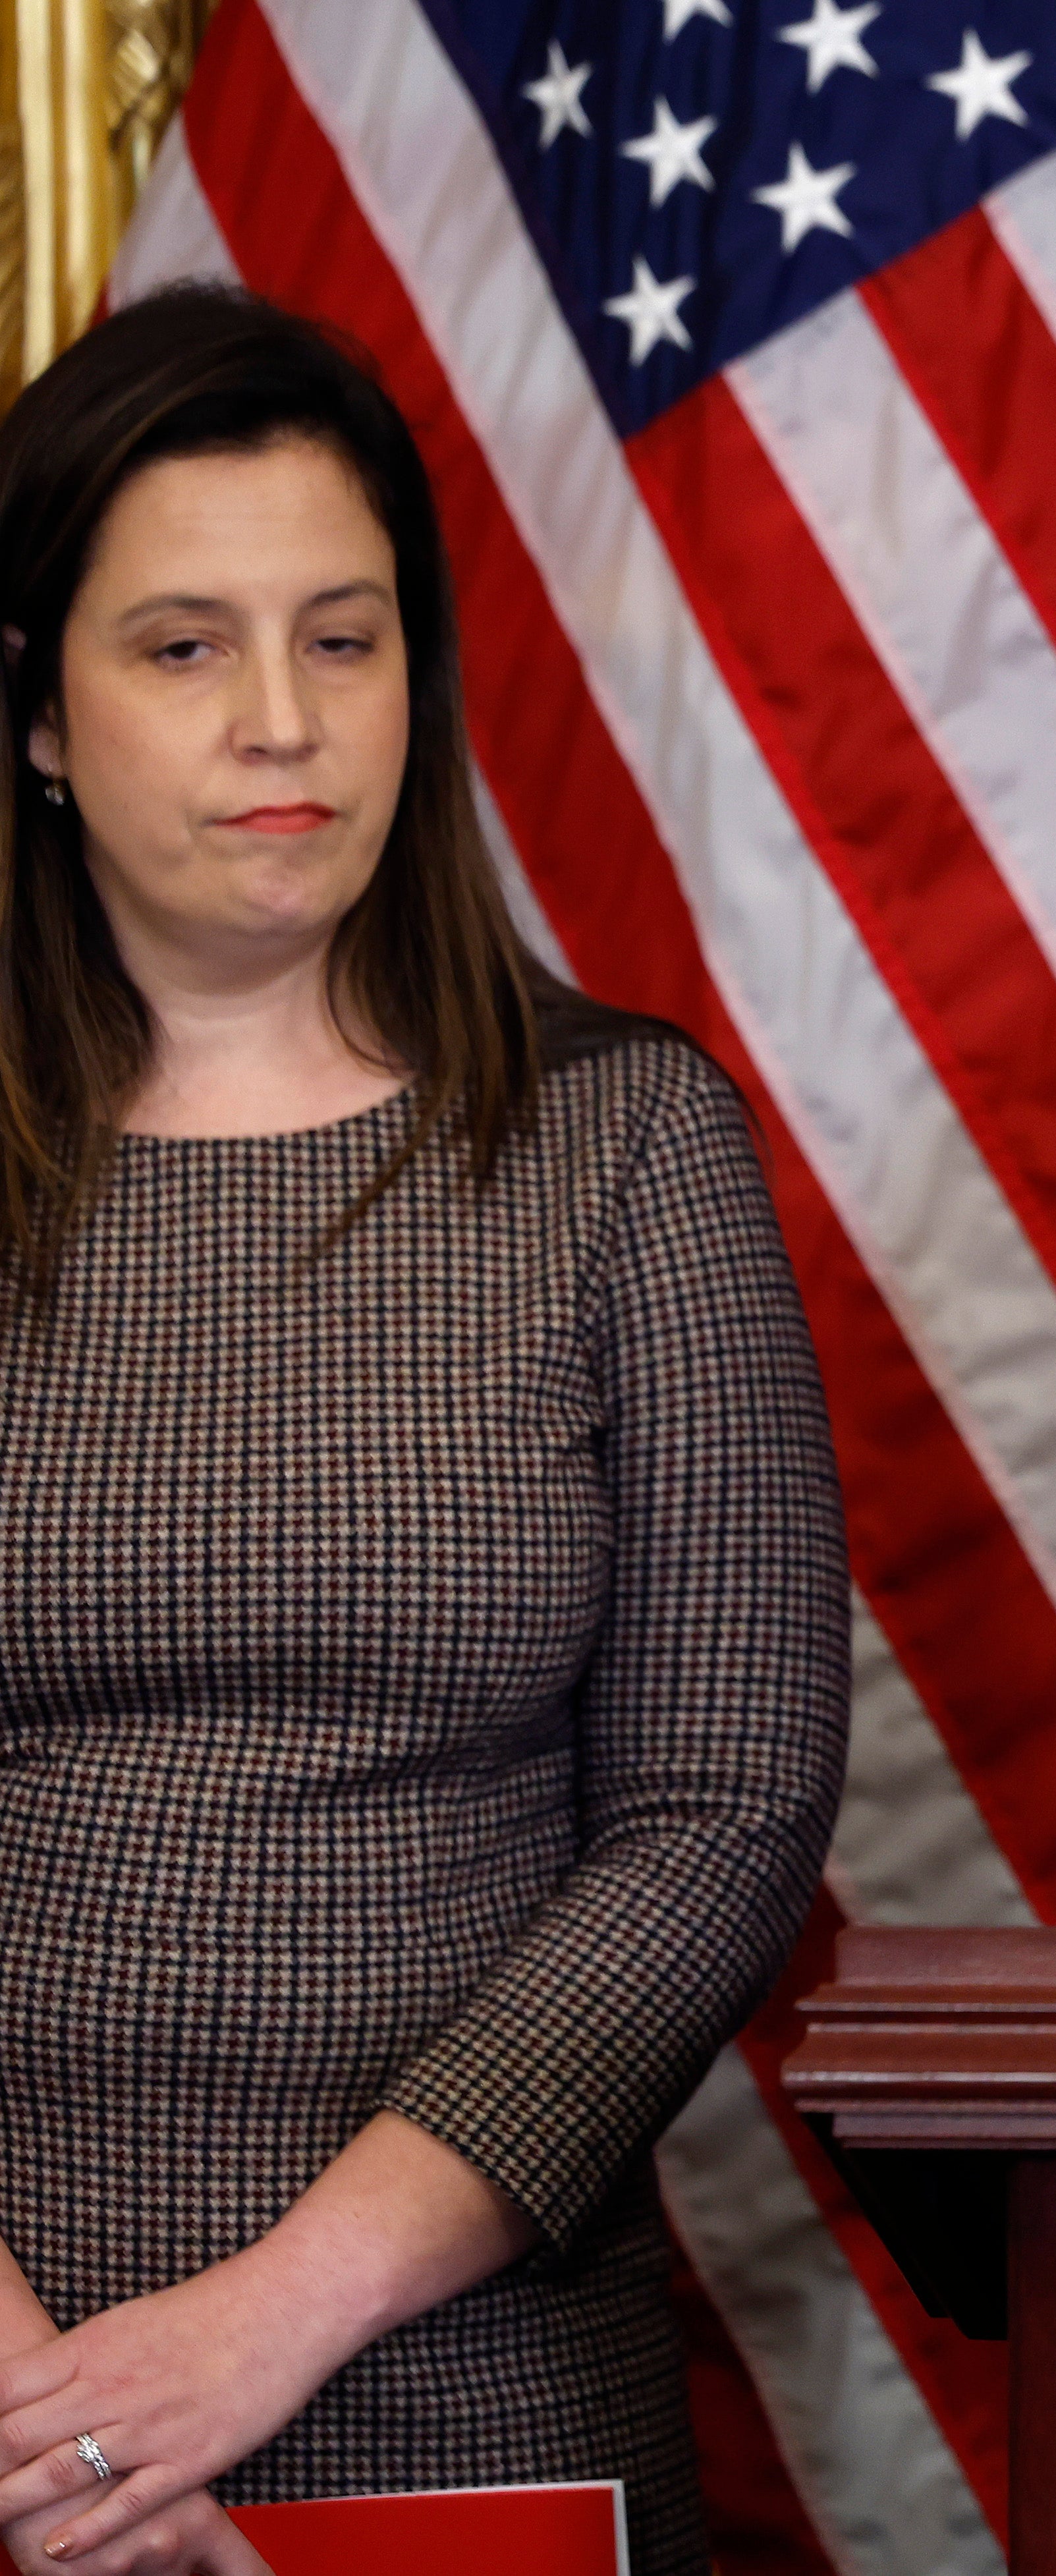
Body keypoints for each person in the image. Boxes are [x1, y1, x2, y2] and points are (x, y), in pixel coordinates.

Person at [0, 289, 845, 2575]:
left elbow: (722, 1813)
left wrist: (260, 2331)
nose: (282, 721)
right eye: (182, 647)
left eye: (341, 638)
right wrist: (52, 2413)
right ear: (43, 717)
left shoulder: (624, 1151)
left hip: (468, 2391)